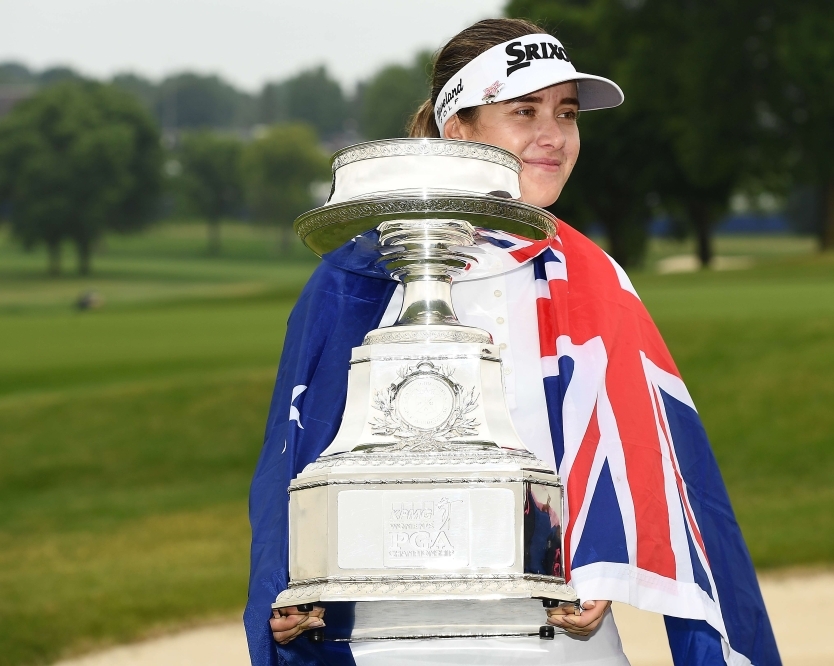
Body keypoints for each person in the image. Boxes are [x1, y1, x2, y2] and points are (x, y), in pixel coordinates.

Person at [247, 18, 781, 666]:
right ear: (459, 128)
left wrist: (600, 557)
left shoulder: (594, 278)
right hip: (382, 643)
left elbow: (655, 467)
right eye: (524, 111)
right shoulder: (350, 281)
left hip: (552, 644)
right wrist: (290, 579)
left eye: (566, 112)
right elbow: (293, 459)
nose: (553, 136)